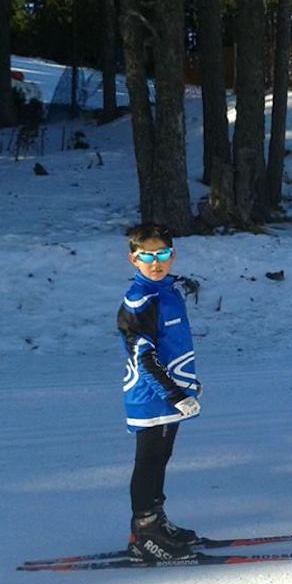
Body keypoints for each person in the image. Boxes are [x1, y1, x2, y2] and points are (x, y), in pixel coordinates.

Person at [117, 223, 203, 561]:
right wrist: (175, 395)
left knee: (161, 459)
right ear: (133, 260)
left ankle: (157, 522)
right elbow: (144, 356)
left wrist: (188, 384)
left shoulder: (168, 291)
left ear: (173, 255)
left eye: (163, 254)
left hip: (169, 395)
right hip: (151, 398)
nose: (156, 262)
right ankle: (143, 534)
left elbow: (174, 347)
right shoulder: (140, 301)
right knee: (148, 462)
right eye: (147, 256)